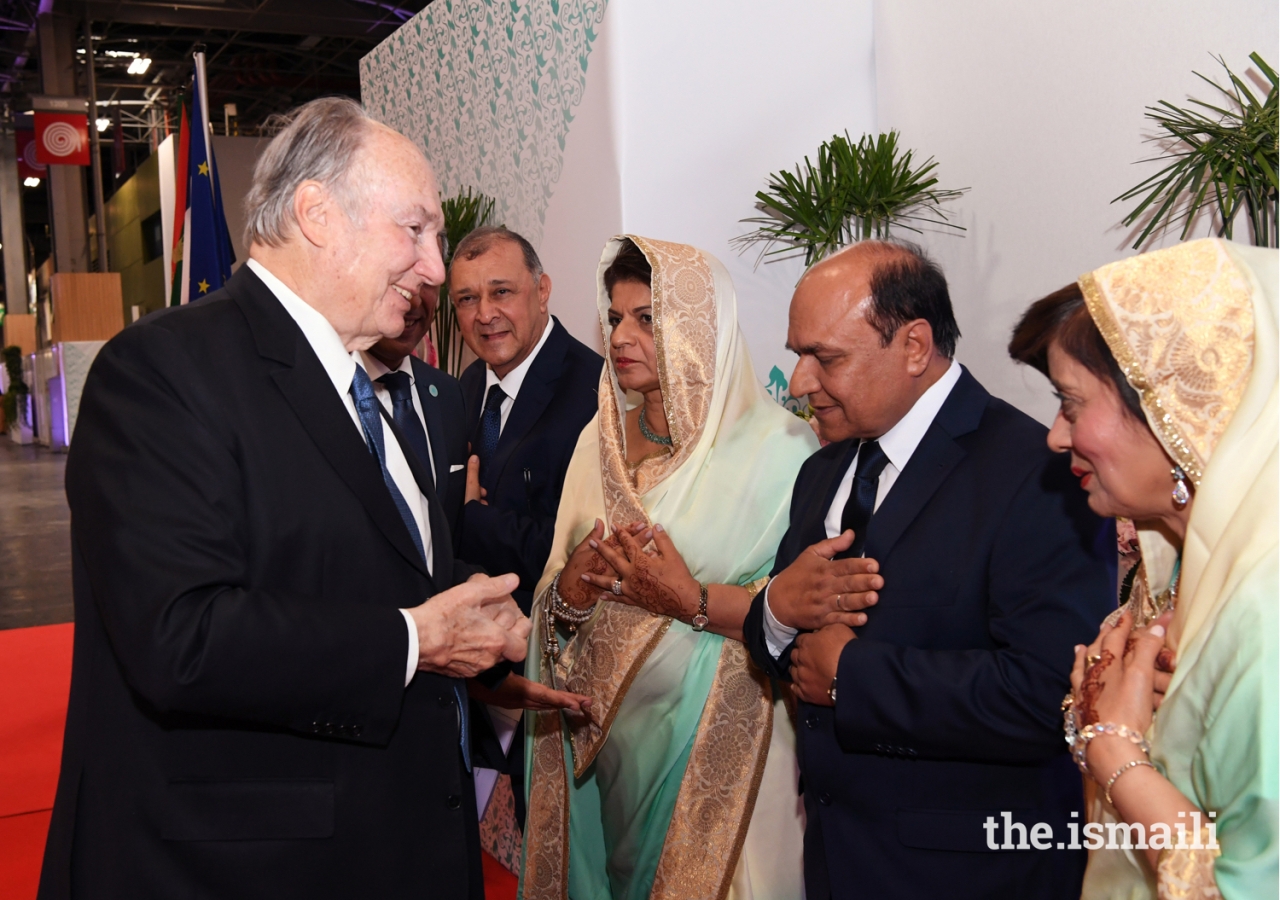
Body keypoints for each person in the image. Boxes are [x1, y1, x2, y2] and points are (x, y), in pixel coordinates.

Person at [38, 97, 532, 900]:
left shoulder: (368, 385)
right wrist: (416, 638)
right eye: (416, 231)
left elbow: (357, 562)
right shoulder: (161, 373)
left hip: (391, 845)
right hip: (249, 868)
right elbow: (180, 637)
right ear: (317, 214)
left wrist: (477, 612)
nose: (438, 268)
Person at [737, 240, 1113, 899]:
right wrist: (773, 611)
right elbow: (791, 652)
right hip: (836, 858)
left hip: (975, 872)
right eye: (798, 354)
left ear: (914, 346)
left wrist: (853, 676)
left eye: (825, 358)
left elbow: (1048, 694)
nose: (798, 383)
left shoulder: (1040, 475)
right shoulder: (822, 471)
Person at [522, 236, 819, 900]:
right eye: (616, 317)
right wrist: (569, 590)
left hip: (730, 742)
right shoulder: (592, 444)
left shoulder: (784, 451)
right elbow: (555, 601)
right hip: (610, 749)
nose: (621, 335)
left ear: (698, 327)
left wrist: (685, 597)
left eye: (647, 318)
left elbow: (801, 609)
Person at [1008, 237, 1278, 900]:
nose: (1055, 436)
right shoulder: (1176, 573)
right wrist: (1096, 716)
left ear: (1176, 413)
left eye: (1071, 404)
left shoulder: (1263, 612)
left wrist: (1113, 749)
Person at [452, 226, 604, 615]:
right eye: (467, 299)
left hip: (552, 646)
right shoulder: (464, 387)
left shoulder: (596, 393)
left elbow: (582, 552)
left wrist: (469, 518)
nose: (485, 314)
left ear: (542, 291)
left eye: (501, 292)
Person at [364, 281, 470, 533]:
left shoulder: (449, 392)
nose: (412, 300)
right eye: (396, 281)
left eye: (425, 284)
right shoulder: (328, 390)